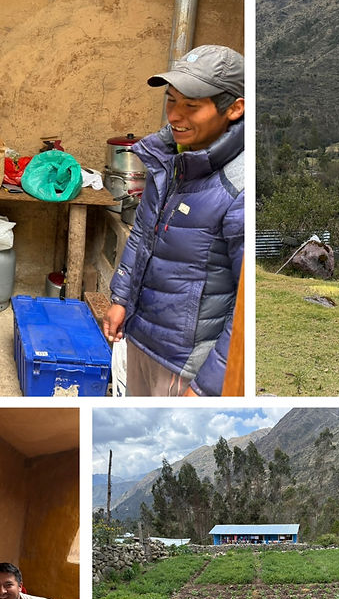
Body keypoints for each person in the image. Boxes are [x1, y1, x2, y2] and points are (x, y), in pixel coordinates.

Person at [102, 45, 245, 397]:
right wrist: (120, 299)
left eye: (191, 106)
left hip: (185, 368)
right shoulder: (169, 160)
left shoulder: (238, 189)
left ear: (235, 108)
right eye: (171, 101)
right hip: (140, 337)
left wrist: (209, 386)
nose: (175, 117)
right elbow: (141, 237)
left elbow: (245, 309)